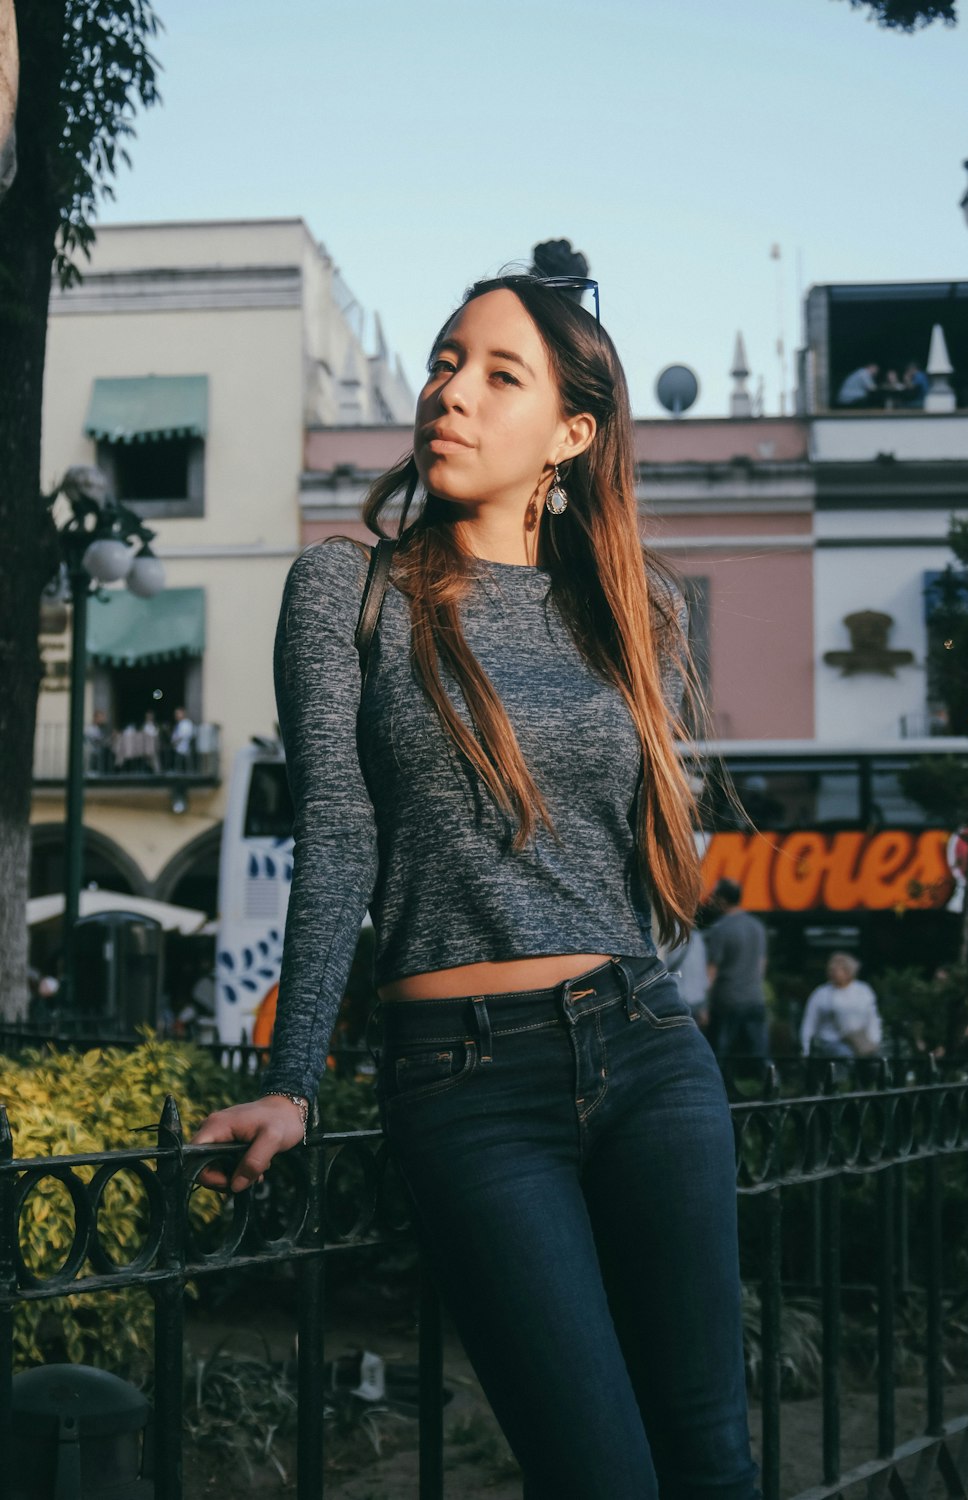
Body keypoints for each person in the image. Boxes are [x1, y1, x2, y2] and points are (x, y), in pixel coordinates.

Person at [190, 273, 761, 1500]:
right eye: (448, 361)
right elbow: (337, 835)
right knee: (599, 1475)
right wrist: (292, 1086)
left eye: (500, 373)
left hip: (649, 1048)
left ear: (571, 435)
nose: (450, 391)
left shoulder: (632, 610)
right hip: (464, 1079)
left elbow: (635, 849)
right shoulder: (349, 591)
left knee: (713, 1456)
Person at [704, 878, 769, 1063]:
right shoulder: (757, 926)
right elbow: (761, 965)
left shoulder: (720, 929)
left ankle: (721, 1090)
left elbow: (711, 971)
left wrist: (705, 1003)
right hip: (754, 997)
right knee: (760, 1052)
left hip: (727, 999)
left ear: (723, 900)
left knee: (720, 1055)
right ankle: (770, 1085)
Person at [799, 952, 882, 1060]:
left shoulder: (863, 991)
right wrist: (806, 1048)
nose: (832, 972)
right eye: (831, 969)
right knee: (845, 1056)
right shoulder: (821, 993)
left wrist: (875, 1040)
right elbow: (809, 1022)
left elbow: (872, 1018)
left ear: (849, 971)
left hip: (859, 1040)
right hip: (831, 1041)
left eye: (837, 969)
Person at [170, 705, 195, 771]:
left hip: (184, 746)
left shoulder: (187, 723)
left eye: (178, 713)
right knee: (178, 764)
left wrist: (177, 739)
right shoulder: (179, 723)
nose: (177, 715)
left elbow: (186, 734)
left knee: (187, 764)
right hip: (178, 747)